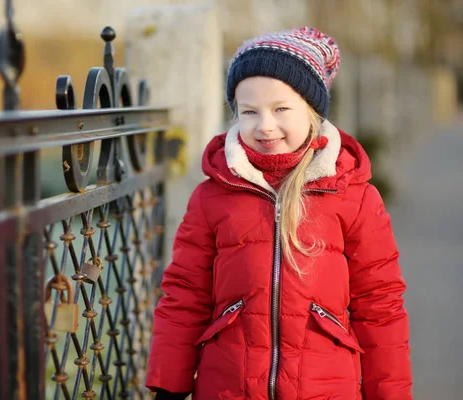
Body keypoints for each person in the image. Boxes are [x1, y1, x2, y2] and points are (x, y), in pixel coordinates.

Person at [145, 27, 412, 400]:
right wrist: (168, 385)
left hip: (325, 387)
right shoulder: (212, 196)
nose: (265, 125)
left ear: (312, 111)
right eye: (250, 111)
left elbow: (380, 307)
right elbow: (185, 295)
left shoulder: (354, 197)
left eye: (281, 109)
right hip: (228, 386)